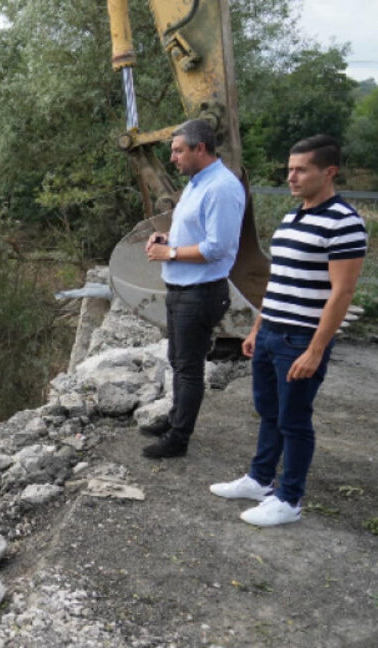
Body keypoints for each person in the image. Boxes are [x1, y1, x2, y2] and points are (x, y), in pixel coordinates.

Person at [209, 134, 367, 526]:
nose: (291, 177)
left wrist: (315, 350)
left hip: (300, 338)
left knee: (294, 419)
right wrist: (257, 328)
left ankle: (289, 499)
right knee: (268, 411)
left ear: (329, 172)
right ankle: (260, 480)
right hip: (270, 332)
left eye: (301, 170)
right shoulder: (294, 215)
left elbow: (342, 292)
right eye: (289, 169)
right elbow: (278, 281)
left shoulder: (344, 222)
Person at [141, 119, 245, 459]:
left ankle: (178, 439)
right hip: (182, 289)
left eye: (178, 151)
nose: (172, 158)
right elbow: (195, 232)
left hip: (200, 293)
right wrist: (168, 239)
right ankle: (174, 420)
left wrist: (169, 253)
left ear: (201, 148)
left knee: (188, 369)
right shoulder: (197, 184)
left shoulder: (221, 188)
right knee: (178, 360)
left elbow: (217, 247)